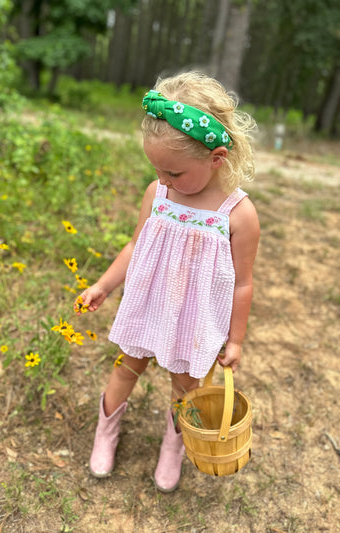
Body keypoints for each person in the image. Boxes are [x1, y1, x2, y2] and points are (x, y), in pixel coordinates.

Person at [77, 71, 260, 492]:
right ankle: (105, 432)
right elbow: (136, 246)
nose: (163, 180)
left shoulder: (237, 214)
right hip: (149, 303)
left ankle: (174, 445)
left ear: (216, 157)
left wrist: (236, 339)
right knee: (127, 367)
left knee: (186, 388)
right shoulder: (157, 194)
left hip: (193, 319)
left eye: (174, 172)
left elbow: (242, 284)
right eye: (156, 168)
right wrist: (104, 285)